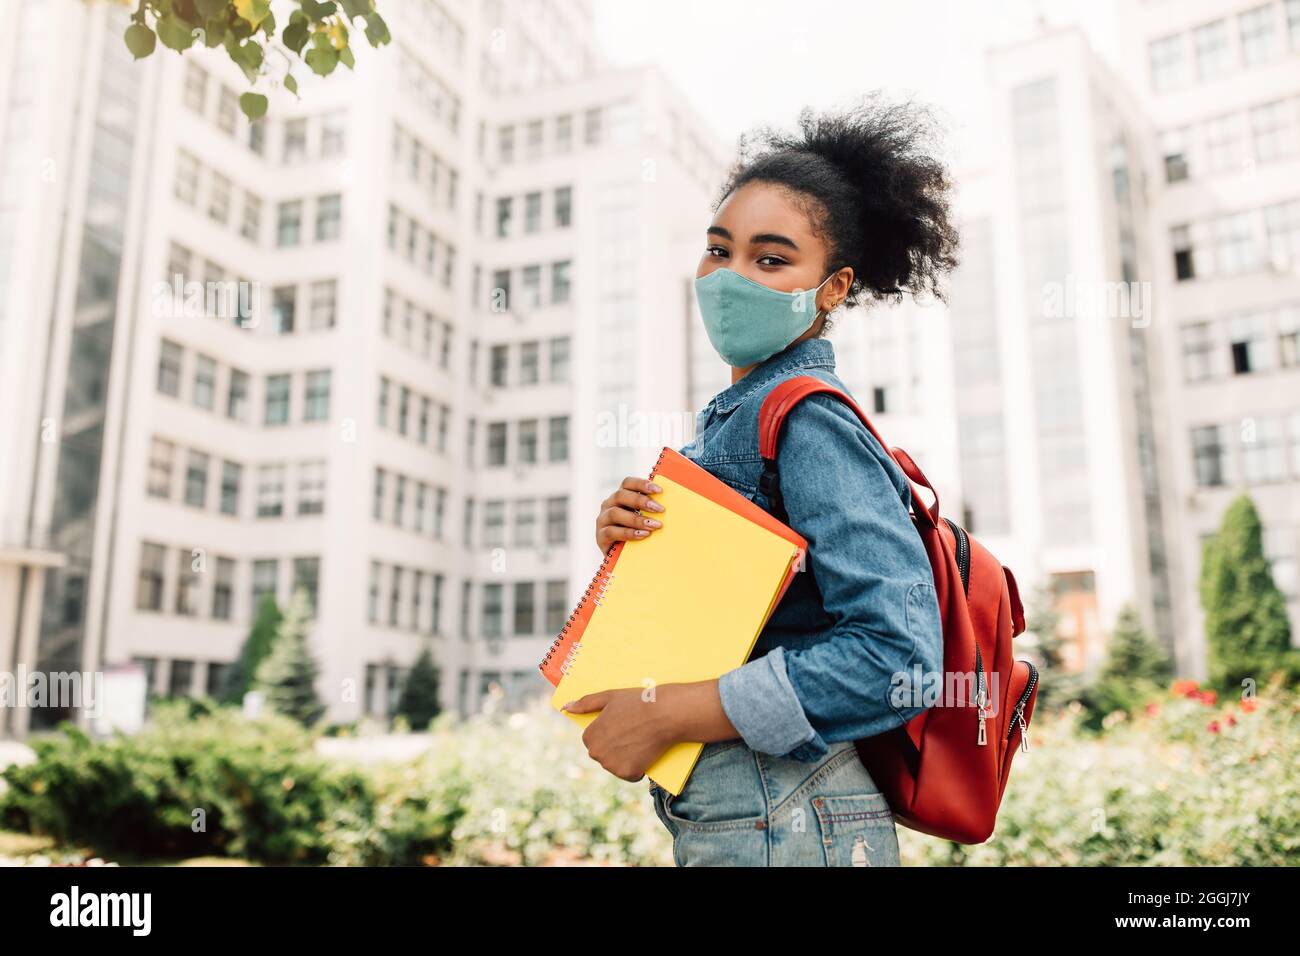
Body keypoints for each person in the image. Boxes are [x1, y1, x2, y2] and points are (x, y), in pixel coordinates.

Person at [564, 94, 961, 866]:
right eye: (719, 250)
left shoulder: (808, 421)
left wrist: (673, 711)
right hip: (763, 811)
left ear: (834, 288)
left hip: (789, 812)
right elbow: (749, 618)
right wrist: (629, 547)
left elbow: (900, 660)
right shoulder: (736, 419)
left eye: (771, 259)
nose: (731, 277)